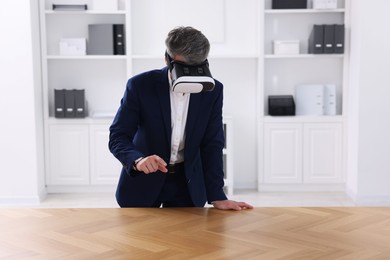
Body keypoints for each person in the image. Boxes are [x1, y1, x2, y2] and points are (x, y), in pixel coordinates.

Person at [109, 26, 253, 210]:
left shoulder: (213, 90)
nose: (192, 75)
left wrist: (217, 195)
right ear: (167, 59)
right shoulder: (140, 85)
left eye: (197, 67)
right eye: (185, 68)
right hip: (143, 182)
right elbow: (118, 136)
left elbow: (212, 144)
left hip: (187, 185)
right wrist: (138, 161)